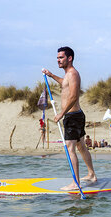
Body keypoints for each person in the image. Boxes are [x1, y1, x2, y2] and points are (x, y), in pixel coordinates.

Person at [42, 46, 97, 190]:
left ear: (69, 58)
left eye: (61, 57)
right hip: (76, 115)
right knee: (81, 147)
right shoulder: (68, 75)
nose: (58, 60)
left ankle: (76, 183)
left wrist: (61, 113)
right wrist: (51, 75)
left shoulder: (73, 74)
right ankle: (92, 175)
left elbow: (73, 96)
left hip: (72, 116)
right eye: (57, 58)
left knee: (70, 148)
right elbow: (64, 84)